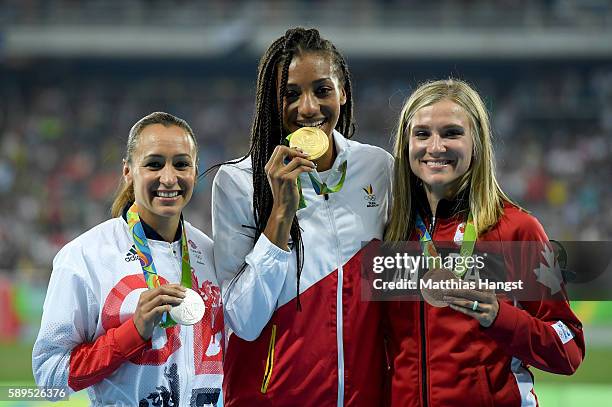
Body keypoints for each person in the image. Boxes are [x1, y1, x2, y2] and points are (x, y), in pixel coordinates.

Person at [211, 27, 393, 406]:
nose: (308, 107)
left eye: (322, 90)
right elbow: (243, 322)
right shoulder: (239, 182)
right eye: (290, 94)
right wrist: (280, 213)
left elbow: (394, 284)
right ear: (270, 102)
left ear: (343, 92)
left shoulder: (377, 167)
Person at [384, 79, 585, 406]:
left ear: (476, 142)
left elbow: (570, 347)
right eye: (422, 134)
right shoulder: (388, 233)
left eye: (452, 133)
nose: (435, 147)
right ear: (405, 145)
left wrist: (500, 317)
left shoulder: (518, 231)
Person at [33, 112, 223, 406]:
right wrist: (132, 332)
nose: (169, 177)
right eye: (154, 164)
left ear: (195, 173)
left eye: (182, 164)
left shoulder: (212, 254)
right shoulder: (85, 256)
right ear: (128, 172)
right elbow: (49, 379)